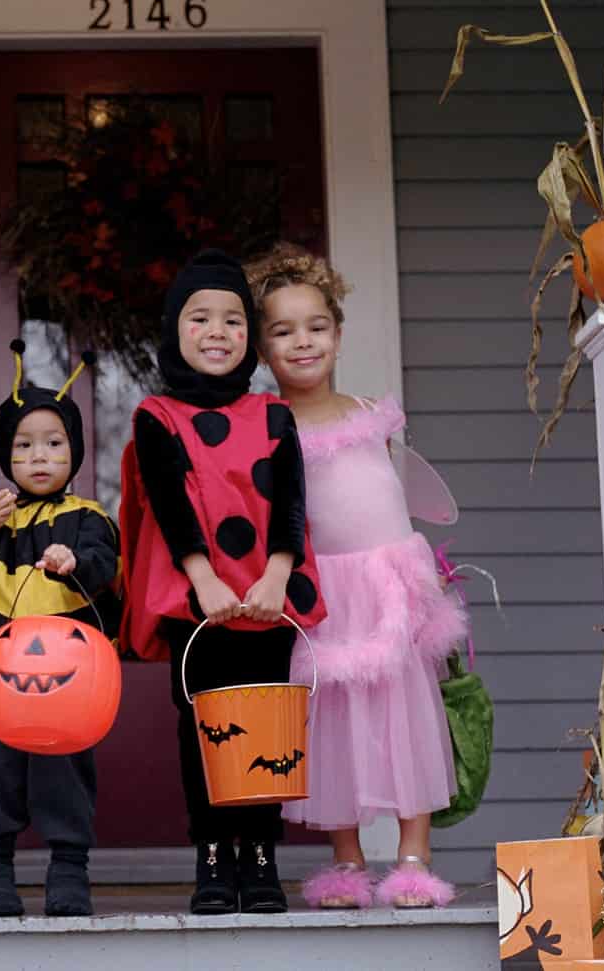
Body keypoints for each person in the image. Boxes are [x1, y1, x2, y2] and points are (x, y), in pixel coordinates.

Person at [251, 242, 465, 909]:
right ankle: (345, 860)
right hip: (321, 590)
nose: (302, 342)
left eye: (316, 326)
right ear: (262, 349)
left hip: (388, 584)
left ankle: (411, 856)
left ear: (338, 334)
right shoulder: (266, 426)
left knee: (405, 713)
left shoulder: (372, 413)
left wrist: (421, 572)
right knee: (331, 719)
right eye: (282, 332)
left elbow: (397, 496)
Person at [117, 248, 327, 914]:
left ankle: (260, 853)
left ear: (248, 337)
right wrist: (202, 577)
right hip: (197, 597)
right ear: (174, 330)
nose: (216, 331)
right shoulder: (157, 415)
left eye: (232, 320)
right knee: (205, 724)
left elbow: (291, 499)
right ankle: (212, 853)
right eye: (199, 317)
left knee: (265, 719)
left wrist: (276, 573)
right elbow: (168, 502)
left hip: (265, 593)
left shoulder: (271, 415)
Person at [0, 343, 119, 918]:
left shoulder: (90, 518)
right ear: (6, 454)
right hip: (0, 671)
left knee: (63, 768)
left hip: (70, 676)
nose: (39, 456)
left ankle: (69, 869)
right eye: (24, 446)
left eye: (53, 443)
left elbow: (105, 568)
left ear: (73, 451)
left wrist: (78, 564)